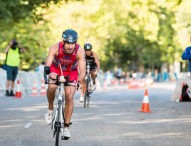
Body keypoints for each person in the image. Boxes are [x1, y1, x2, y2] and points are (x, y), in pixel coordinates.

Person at [44, 29, 86, 139]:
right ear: (63, 42)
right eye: (68, 43)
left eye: (73, 43)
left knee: (69, 95)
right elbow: (48, 62)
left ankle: (66, 127)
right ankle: (50, 109)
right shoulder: (55, 47)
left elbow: (82, 71)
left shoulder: (80, 51)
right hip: (56, 69)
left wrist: (79, 81)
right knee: (52, 86)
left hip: (71, 71)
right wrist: (48, 71)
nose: (70, 46)